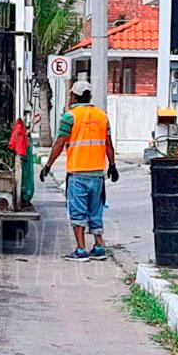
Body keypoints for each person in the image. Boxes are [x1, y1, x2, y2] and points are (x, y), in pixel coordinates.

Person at [39, 81, 119, 262]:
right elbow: (108, 143)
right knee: (95, 210)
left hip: (78, 172)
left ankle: (81, 249)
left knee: (78, 211)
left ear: (74, 96)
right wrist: (112, 165)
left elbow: (59, 143)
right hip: (98, 173)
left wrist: (48, 165)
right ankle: (99, 246)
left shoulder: (70, 117)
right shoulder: (102, 116)